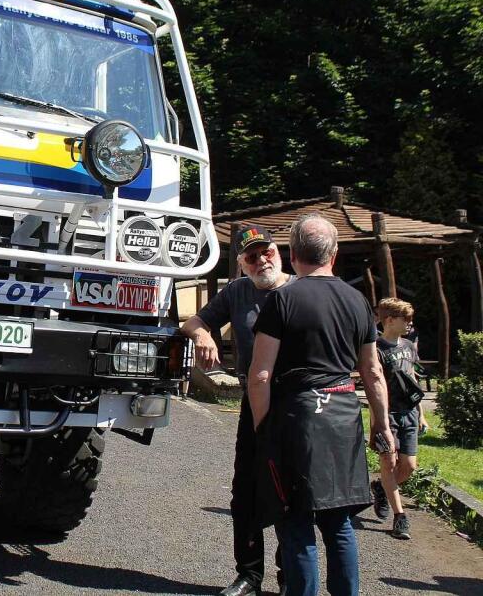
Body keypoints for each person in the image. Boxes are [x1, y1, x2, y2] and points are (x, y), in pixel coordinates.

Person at [248, 214, 396, 596]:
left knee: (295, 520)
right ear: (334, 253)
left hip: (297, 417)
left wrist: (262, 429)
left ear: (293, 254)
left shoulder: (282, 299)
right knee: (339, 523)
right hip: (344, 414)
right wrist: (383, 424)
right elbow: (373, 372)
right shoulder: (359, 301)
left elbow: (261, 374)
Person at [181, 224, 293, 596]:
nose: (262, 260)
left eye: (267, 252)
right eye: (252, 256)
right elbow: (193, 321)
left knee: (291, 491)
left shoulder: (301, 289)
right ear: (242, 265)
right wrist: (203, 334)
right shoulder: (238, 291)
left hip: (296, 405)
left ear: (280, 252)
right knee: (244, 489)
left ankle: (289, 574)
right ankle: (249, 575)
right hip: (253, 401)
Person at [370, 298, 428, 540]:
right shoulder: (377, 349)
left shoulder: (408, 346)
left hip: (410, 413)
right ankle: (400, 517)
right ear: (390, 320)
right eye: (406, 319)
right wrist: (377, 423)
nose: (410, 324)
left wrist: (422, 413)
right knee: (389, 463)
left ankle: (382, 488)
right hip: (388, 415)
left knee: (409, 465)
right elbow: (374, 386)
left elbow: (412, 379)